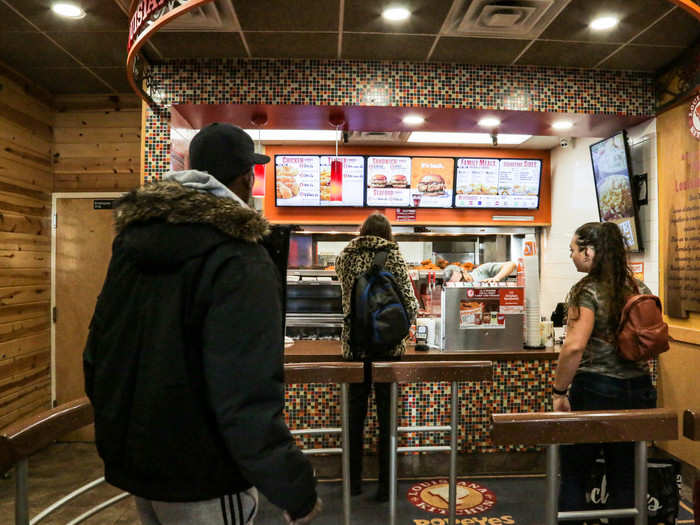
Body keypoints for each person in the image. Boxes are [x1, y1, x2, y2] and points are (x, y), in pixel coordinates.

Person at [83, 123, 321, 525]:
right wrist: (294, 487)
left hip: (141, 468)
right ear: (246, 178)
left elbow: (98, 353)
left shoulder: (132, 243)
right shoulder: (238, 254)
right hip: (205, 474)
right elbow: (245, 393)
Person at [552, 221, 657, 524]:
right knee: (625, 474)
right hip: (639, 389)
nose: (571, 255)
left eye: (574, 249)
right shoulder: (639, 287)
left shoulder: (585, 290)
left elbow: (573, 347)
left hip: (595, 390)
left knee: (575, 471)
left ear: (589, 251)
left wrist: (559, 391)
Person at [335, 212, 419, 502]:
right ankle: (385, 487)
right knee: (387, 420)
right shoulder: (393, 255)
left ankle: (353, 483)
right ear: (388, 232)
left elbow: (346, 301)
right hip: (387, 352)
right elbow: (411, 304)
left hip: (355, 350)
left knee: (354, 419)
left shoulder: (344, 257)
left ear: (362, 230)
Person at [444, 261, 516, 283]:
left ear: (464, 271)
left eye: (462, 279)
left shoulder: (482, 271)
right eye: (457, 284)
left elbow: (511, 264)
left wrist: (496, 278)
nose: (463, 283)